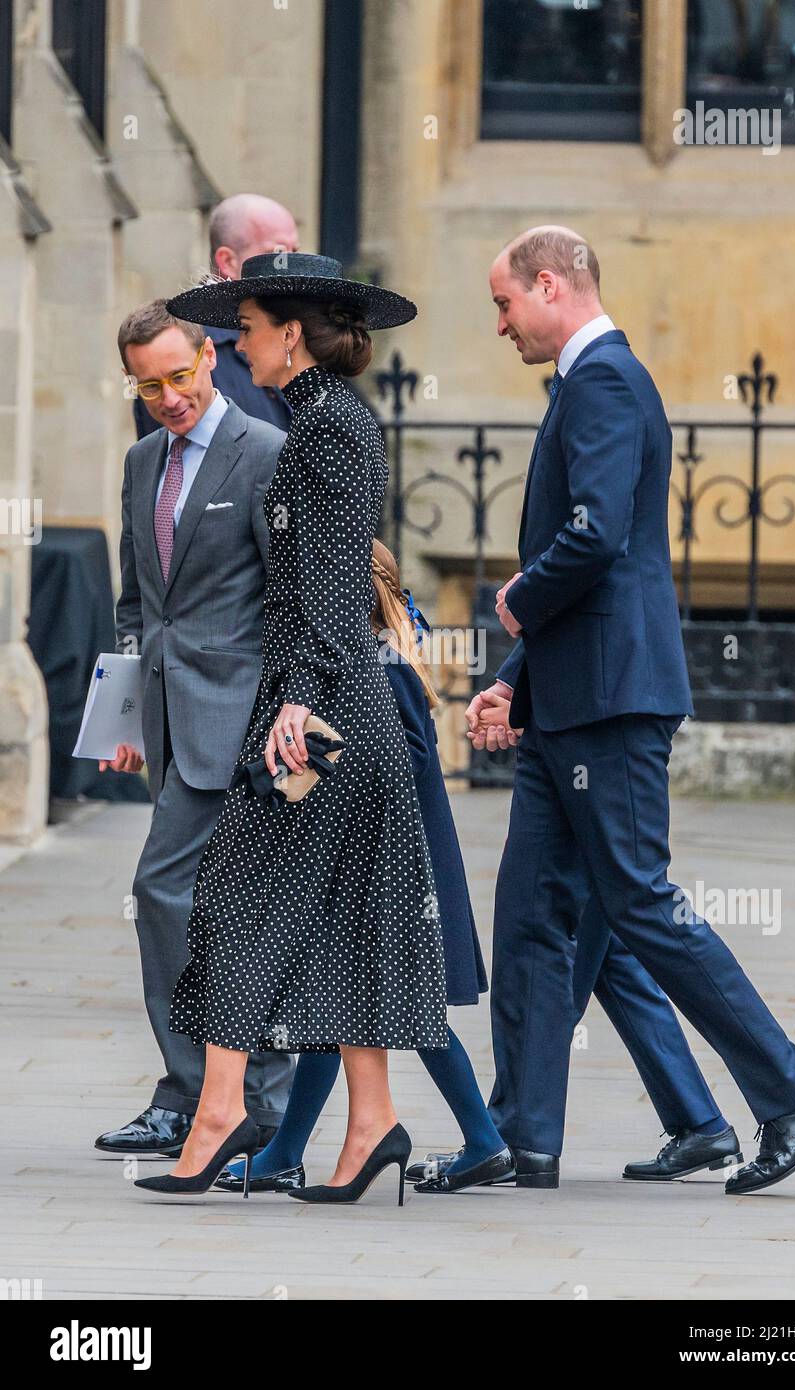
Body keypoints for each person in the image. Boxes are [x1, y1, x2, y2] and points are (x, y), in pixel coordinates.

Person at [465, 225, 795, 1196]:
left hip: (611, 700)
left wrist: (519, 599)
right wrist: (516, 671)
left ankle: (793, 1094)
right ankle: (524, 1139)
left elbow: (593, 539)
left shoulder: (602, 382)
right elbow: (604, 555)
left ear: (550, 285)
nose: (500, 325)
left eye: (506, 304)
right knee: (528, 916)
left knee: (640, 900)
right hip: (571, 698)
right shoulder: (595, 383)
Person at [133, 252, 449, 1204]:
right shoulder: (318, 422)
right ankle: (370, 1122)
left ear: (291, 335)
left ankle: (222, 1112)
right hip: (327, 699)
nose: (236, 342)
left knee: (235, 901)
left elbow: (331, 578)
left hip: (325, 710)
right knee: (352, 909)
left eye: (250, 325)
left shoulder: (328, 429)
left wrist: (301, 701)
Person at [216, 539, 514, 1198]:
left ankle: (485, 1142)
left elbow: (406, 760)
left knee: (406, 1008)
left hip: (397, 861)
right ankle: (286, 1154)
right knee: (339, 1003)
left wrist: (320, 759)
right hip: (361, 855)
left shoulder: (388, 663)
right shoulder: (370, 656)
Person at [95, 300, 295, 1159]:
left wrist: (281, 715)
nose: (169, 397)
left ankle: (217, 1099)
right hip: (170, 723)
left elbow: (290, 598)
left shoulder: (266, 453)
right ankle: (214, 1097)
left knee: (165, 891)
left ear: (212, 359)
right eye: (150, 385)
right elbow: (138, 602)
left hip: (243, 724)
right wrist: (126, 710)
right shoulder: (142, 461)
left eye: (180, 375)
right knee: (204, 905)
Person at [133, 194, 298, 439]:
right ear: (228, 261)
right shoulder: (183, 348)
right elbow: (173, 464)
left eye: (296, 252)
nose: (294, 267)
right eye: (280, 254)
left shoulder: (295, 334)